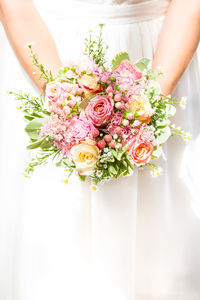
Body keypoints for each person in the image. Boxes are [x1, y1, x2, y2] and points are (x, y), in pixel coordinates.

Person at [0, 0, 200, 299]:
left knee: (161, 249)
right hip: (48, 45)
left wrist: (151, 99)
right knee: (56, 240)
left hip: (159, 50)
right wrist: (63, 98)